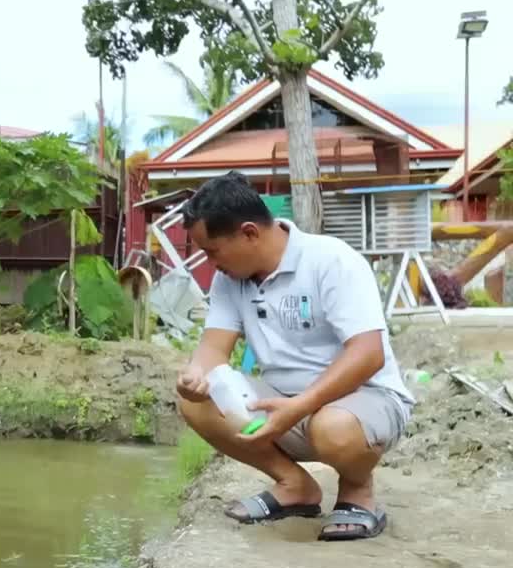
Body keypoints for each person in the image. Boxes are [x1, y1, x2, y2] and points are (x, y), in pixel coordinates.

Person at [175, 172, 414, 541]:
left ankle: (357, 490)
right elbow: (213, 349)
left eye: (212, 251)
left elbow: (368, 354)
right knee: (195, 404)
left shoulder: (331, 261)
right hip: (285, 403)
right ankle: (294, 485)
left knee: (332, 428)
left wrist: (301, 406)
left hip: (364, 400)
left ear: (250, 233)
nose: (210, 263)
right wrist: (195, 375)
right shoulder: (229, 279)